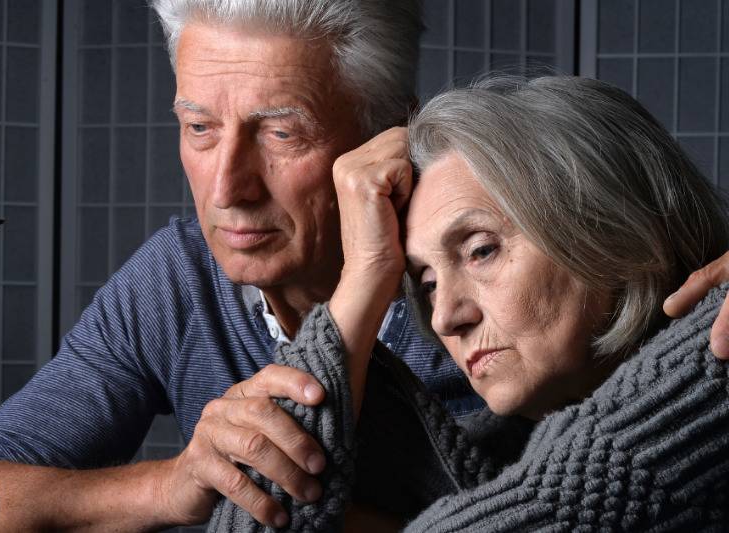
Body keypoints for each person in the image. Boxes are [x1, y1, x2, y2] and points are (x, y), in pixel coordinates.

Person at [0, 1, 729, 530]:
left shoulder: (476, 248)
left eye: (281, 133)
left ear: (383, 134)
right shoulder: (175, 282)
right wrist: (170, 485)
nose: (227, 186)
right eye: (199, 127)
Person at [207, 76, 729, 531]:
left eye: (481, 250)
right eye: (427, 281)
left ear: (615, 228)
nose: (445, 318)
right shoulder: (482, 461)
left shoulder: (713, 374)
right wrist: (366, 273)